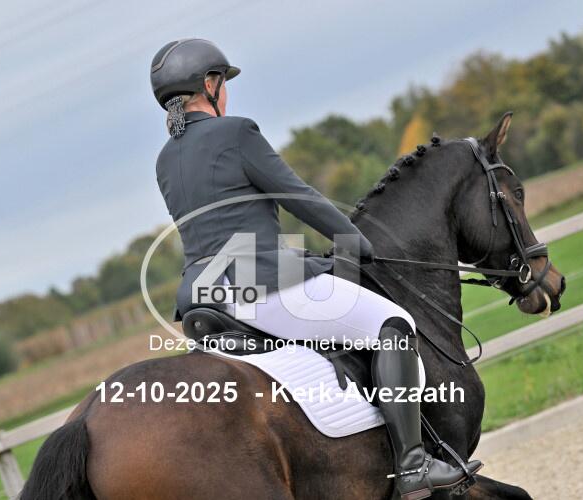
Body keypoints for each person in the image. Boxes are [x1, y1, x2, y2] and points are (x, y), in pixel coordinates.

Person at [150, 38, 481, 500]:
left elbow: (222, 234)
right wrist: (354, 240)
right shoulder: (236, 133)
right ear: (209, 84)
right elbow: (298, 195)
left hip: (202, 299)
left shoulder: (166, 159)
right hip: (257, 287)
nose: (227, 91)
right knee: (392, 324)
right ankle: (413, 464)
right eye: (223, 82)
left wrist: (307, 263)